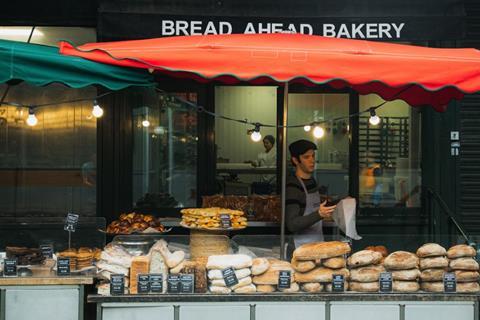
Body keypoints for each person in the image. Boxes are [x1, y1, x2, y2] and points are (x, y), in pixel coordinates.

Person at [285, 139, 337, 248]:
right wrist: (319, 214)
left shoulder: (312, 181)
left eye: (313, 156)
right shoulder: (293, 187)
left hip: (317, 243)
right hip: (299, 248)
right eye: (306, 157)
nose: (312, 160)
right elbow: (292, 224)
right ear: (295, 160)